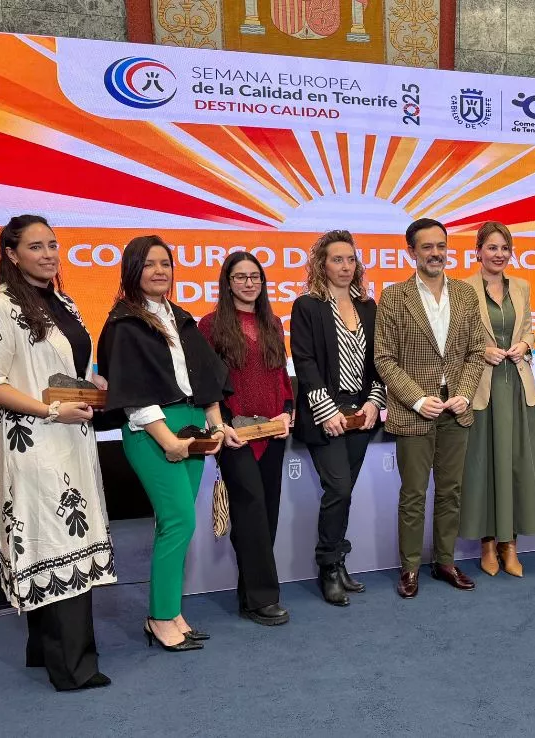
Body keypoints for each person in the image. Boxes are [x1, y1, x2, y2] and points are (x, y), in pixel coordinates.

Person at [0, 215, 115, 691]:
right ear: (12, 254)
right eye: (36, 247)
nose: (49, 254)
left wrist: (88, 383)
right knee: (55, 541)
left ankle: (44, 651)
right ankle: (73, 669)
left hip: (72, 438)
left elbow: (62, 364)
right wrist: (50, 412)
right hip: (34, 444)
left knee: (60, 540)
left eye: (53, 244)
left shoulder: (63, 300)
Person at [98, 235, 239, 650]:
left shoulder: (179, 317)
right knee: (180, 521)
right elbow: (134, 389)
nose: (160, 271)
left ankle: (171, 610)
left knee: (174, 524)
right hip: (153, 429)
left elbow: (205, 378)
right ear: (132, 271)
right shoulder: (124, 324)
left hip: (192, 423)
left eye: (166, 263)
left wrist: (214, 423)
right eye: (149, 264)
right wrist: (166, 439)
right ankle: (160, 618)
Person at [374, 218, 486, 599]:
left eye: (441, 245)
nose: (436, 253)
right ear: (411, 252)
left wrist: (465, 394)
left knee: (451, 492)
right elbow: (384, 359)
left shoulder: (467, 295)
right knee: (414, 494)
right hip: (413, 412)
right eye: (427, 247)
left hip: (457, 411)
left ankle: (445, 561)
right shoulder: (394, 296)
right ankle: (409, 569)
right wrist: (418, 399)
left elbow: (475, 354)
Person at [197, 252, 293, 625]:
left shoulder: (272, 322)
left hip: (273, 431)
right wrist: (221, 424)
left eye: (255, 276)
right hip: (235, 433)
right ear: (228, 282)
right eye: (240, 277)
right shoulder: (210, 325)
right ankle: (263, 599)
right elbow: (207, 383)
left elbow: (281, 377)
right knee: (250, 511)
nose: (249, 283)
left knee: (267, 514)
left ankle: (249, 593)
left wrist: (288, 410)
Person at [290, 230, 385, 606]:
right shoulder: (308, 306)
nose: (345, 266)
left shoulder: (368, 306)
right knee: (339, 489)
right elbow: (305, 362)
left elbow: (379, 362)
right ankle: (328, 567)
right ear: (321, 264)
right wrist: (325, 409)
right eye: (337, 259)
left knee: (343, 494)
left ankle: (339, 561)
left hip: (361, 414)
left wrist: (375, 402)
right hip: (324, 413)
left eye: (350, 259)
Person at [459, 222, 535, 578]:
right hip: (482, 388)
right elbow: (456, 338)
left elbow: (528, 328)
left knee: (515, 465)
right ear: (478, 251)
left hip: (518, 386)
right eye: (492, 247)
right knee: (482, 468)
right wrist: (482, 349)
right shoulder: (462, 289)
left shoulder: (523, 286)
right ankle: (486, 544)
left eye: (504, 248)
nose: (499, 254)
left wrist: (525, 344)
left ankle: (509, 544)